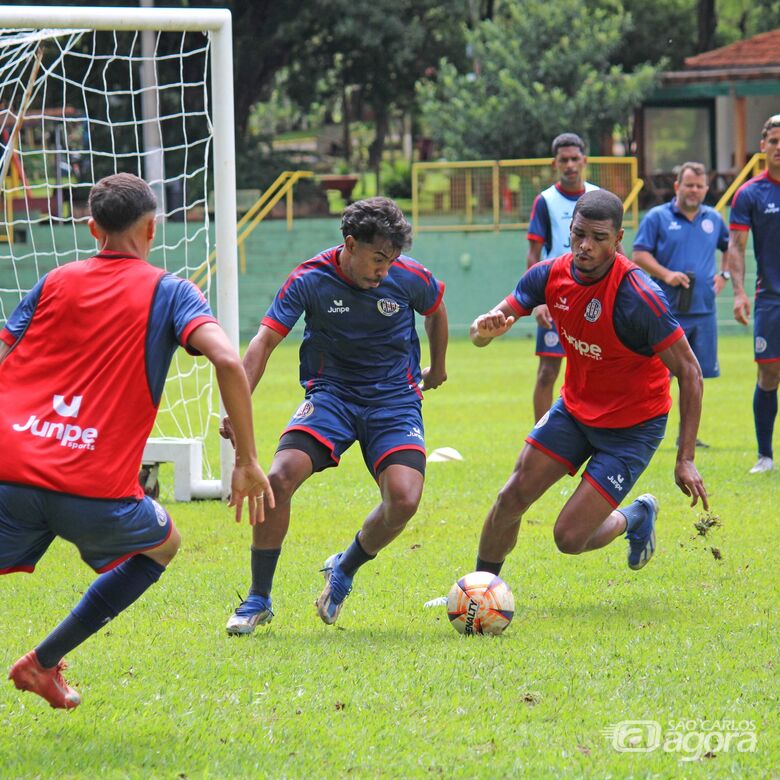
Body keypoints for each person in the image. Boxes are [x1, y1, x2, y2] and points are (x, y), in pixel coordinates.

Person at [1, 173, 272, 710]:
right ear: (153, 227)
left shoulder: (53, 280)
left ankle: (45, 666)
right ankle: (43, 662)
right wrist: (245, 458)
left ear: (90, 227)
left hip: (10, 468)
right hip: (93, 489)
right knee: (163, 544)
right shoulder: (171, 291)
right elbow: (226, 360)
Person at [222, 196, 448, 633]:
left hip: (395, 400)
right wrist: (240, 402)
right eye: (379, 258)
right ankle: (258, 599)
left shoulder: (408, 276)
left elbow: (435, 309)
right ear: (350, 244)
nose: (386, 269)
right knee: (280, 478)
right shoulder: (309, 278)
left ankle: (344, 568)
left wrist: (437, 368)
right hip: (331, 396)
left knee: (403, 498)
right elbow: (263, 342)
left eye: (393, 259)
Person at [470, 189, 708, 576]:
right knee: (510, 497)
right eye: (580, 234)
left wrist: (685, 459)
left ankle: (634, 516)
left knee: (569, 538)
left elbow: (690, 372)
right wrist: (484, 330)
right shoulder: (549, 274)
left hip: (633, 428)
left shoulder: (640, 296)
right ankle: (479, 590)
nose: (586, 246)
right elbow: (483, 330)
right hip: (576, 411)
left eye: (599, 238)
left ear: (618, 240)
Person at [633, 161, 730, 448]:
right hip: (666, 313)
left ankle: (686, 437)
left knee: (694, 377)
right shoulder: (657, 218)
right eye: (689, 185)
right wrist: (667, 274)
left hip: (703, 310)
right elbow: (638, 255)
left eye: (700, 186)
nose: (694, 191)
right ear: (677, 186)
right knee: (657, 376)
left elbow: (730, 248)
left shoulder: (714, 218)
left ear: (706, 189)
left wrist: (723, 275)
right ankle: (643, 432)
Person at [526, 132, 599, 421]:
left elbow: (615, 250)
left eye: (574, 159)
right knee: (547, 372)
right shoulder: (545, 201)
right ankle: (540, 440)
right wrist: (538, 300)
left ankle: (597, 430)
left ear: (585, 160)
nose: (570, 165)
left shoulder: (597, 197)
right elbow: (533, 254)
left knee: (596, 370)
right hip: (558, 297)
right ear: (554, 163)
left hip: (594, 298)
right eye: (564, 160)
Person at [728, 114, 780, 474]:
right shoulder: (749, 194)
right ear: (762, 146)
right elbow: (736, 245)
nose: (779, 148)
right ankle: (765, 455)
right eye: (774, 141)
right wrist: (738, 293)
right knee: (768, 375)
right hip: (771, 299)